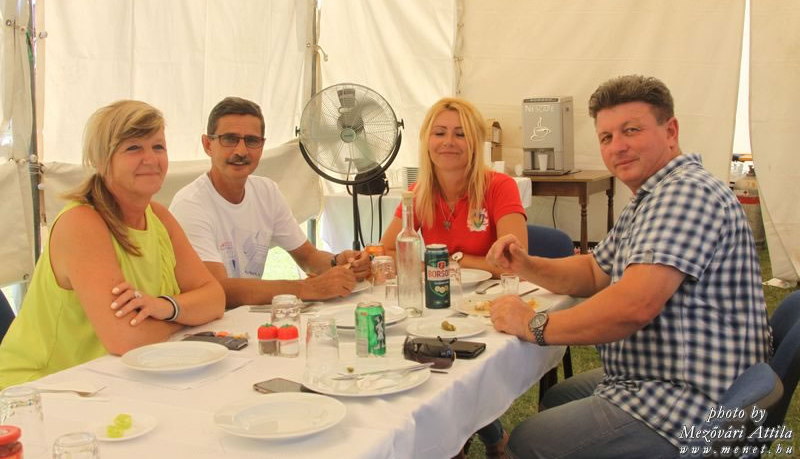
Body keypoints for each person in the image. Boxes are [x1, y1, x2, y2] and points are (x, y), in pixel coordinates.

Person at [487, 75, 772, 458]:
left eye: (631, 130)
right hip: (666, 373)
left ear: (670, 131)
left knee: (528, 441)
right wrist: (525, 264)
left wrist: (531, 324)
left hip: (692, 401)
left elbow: (633, 306)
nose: (617, 147)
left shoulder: (685, 193)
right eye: (606, 137)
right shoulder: (652, 196)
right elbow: (594, 272)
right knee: (558, 397)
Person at [0, 101, 225, 389]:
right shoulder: (81, 223)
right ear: (101, 159)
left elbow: (215, 298)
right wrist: (186, 317)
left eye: (158, 147)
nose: (150, 159)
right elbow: (125, 338)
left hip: (114, 382)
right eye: (133, 148)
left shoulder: (158, 217)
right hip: (41, 389)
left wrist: (163, 307)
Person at [380, 96, 528, 457]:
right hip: (435, 303)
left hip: (487, 305)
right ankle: (474, 440)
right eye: (440, 133)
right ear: (426, 141)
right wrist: (449, 265)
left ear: (475, 143)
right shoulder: (417, 194)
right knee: (419, 350)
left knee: (461, 363)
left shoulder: (499, 186)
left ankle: (472, 440)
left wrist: (446, 262)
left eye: (460, 134)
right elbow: (387, 252)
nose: (449, 142)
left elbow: (515, 258)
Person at [169, 97, 370, 308]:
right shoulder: (190, 205)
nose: (241, 151)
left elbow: (308, 257)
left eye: (251, 140)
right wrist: (308, 288)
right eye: (229, 139)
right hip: (210, 323)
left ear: (262, 146)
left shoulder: (266, 191)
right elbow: (218, 289)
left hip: (246, 318)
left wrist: (340, 262)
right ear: (207, 145)